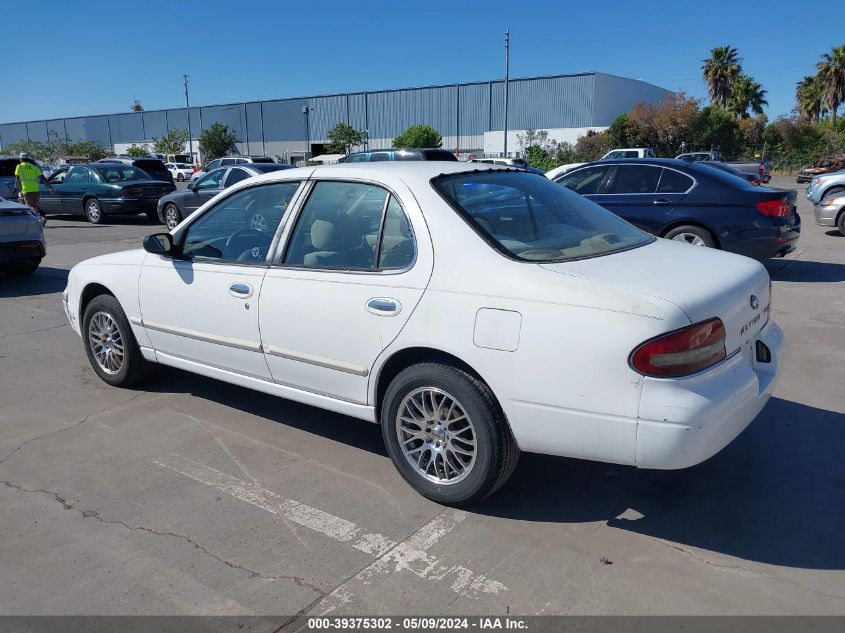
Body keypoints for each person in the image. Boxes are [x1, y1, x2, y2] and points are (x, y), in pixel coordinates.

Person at [14, 152, 51, 225]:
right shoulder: (34, 167)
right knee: (35, 206)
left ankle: (41, 218)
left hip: (27, 190)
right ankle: (39, 222)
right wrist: (49, 187)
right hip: (36, 190)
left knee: (29, 206)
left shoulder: (19, 166)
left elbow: (17, 178)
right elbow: (42, 178)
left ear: (21, 159)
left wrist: (15, 187)